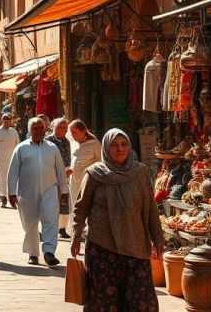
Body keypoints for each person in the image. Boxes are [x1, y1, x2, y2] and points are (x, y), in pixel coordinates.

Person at [70, 129, 164, 311]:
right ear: (106, 147)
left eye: (124, 144)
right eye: (114, 145)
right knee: (105, 301)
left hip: (136, 246)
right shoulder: (94, 174)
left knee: (140, 300)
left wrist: (158, 238)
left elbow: (151, 208)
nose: (120, 149)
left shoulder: (140, 172)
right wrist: (76, 235)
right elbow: (81, 208)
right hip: (102, 248)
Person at [7, 117, 69, 267]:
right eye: (35, 128)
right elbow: (13, 172)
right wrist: (11, 192)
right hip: (27, 193)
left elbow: (60, 170)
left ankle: (49, 252)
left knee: (50, 220)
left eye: (41, 128)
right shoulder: (21, 148)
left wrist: (64, 190)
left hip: (50, 191)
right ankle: (33, 253)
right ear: (29, 131)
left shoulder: (52, 148)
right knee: (30, 224)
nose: (39, 131)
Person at [67, 119, 101, 238]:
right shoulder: (74, 143)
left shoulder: (95, 144)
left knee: (86, 207)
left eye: (75, 132)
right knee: (74, 207)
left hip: (87, 182)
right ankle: (76, 233)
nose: (72, 135)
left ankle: (86, 232)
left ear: (84, 131)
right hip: (74, 180)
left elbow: (100, 162)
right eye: (71, 133)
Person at [47, 118, 73, 239]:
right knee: (50, 204)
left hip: (65, 177)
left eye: (64, 128)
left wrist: (67, 170)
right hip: (51, 177)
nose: (62, 130)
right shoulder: (48, 141)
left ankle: (62, 229)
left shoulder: (67, 142)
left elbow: (67, 159)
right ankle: (46, 230)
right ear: (54, 127)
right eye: (59, 127)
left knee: (64, 202)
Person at [0, 112, 20, 208]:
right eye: (4, 120)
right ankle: (3, 198)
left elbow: (18, 144)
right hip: (0, 159)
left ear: (10, 121)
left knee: (13, 178)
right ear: (2, 121)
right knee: (2, 179)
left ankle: (12, 199)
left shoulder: (14, 132)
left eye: (8, 120)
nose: (6, 122)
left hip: (12, 159)